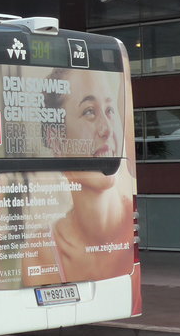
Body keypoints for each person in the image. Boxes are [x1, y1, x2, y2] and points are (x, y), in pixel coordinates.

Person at [37, 69, 135, 282]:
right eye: (90, 111)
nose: (107, 129)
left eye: (110, 110)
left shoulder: (131, 231)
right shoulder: (43, 252)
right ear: (56, 140)